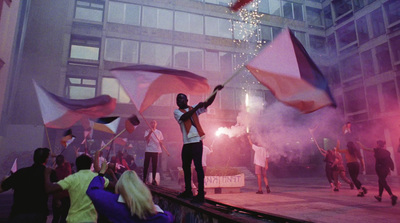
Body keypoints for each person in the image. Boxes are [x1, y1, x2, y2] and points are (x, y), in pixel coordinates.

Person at [174, 85, 223, 203]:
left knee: (198, 167)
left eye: (181, 98)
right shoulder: (177, 112)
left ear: (186, 100)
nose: (179, 101)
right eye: (177, 99)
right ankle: (188, 191)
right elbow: (185, 117)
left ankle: (200, 193)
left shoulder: (193, 108)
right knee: (186, 167)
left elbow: (207, 103)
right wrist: (197, 108)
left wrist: (215, 91)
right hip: (187, 143)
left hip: (196, 142)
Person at [86, 163, 173, 223]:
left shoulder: (113, 204)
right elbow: (169, 218)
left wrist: (101, 173)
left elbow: (93, 191)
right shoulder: (152, 215)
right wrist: (158, 210)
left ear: (121, 186)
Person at [45, 154, 110, 222]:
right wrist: (108, 173)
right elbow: (116, 185)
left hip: (74, 219)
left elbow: (49, 189)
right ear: (91, 165)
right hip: (90, 220)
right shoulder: (97, 178)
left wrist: (47, 174)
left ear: (77, 166)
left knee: (58, 217)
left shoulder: (72, 178)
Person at [0, 148, 54, 223]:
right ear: (46, 159)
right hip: (38, 214)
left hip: (18, 213)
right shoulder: (49, 174)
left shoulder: (20, 173)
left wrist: (5, 180)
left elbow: (3, 187)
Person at [358, 140, 397, 205]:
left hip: (380, 168)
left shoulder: (376, 150)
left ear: (378, 145)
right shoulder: (387, 152)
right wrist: (391, 167)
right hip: (386, 169)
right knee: (381, 181)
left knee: (383, 182)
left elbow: (364, 148)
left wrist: (359, 143)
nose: (376, 145)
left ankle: (392, 195)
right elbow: (389, 160)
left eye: (377, 144)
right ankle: (379, 196)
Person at [143, 120, 164, 185]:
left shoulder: (159, 132)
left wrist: (161, 142)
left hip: (156, 150)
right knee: (146, 165)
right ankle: (144, 179)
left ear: (156, 124)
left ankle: (154, 179)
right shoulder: (147, 131)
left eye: (154, 123)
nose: (153, 124)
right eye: (152, 122)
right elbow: (146, 139)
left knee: (154, 165)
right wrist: (150, 132)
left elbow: (161, 141)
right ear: (150, 124)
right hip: (148, 150)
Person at [52, 155, 72, 223]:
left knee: (56, 217)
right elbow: (65, 161)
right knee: (65, 217)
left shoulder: (54, 172)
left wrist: (56, 199)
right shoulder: (67, 167)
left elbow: (54, 185)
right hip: (66, 196)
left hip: (57, 196)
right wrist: (55, 155)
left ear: (56, 162)